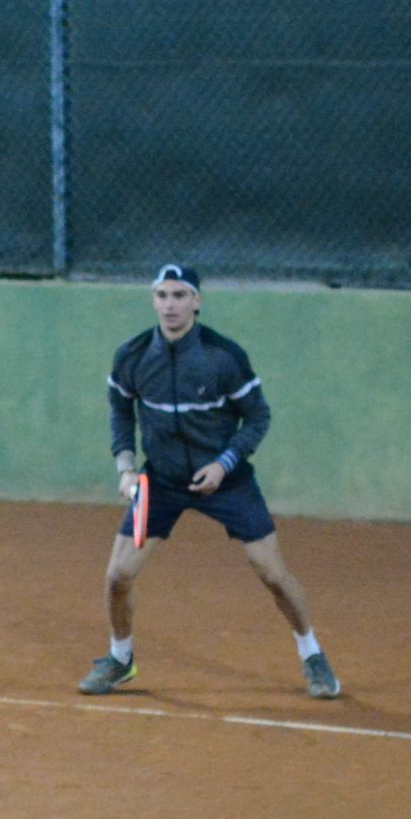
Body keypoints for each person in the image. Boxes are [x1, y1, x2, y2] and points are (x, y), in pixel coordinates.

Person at [80, 263, 342, 700]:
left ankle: (311, 652)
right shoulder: (133, 355)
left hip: (228, 481)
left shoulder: (224, 357)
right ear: (153, 301)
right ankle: (120, 659)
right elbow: (121, 412)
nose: (170, 305)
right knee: (118, 576)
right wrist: (126, 467)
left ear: (197, 302)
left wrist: (224, 463)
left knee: (272, 574)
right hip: (160, 482)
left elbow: (257, 417)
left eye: (180, 296)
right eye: (162, 296)